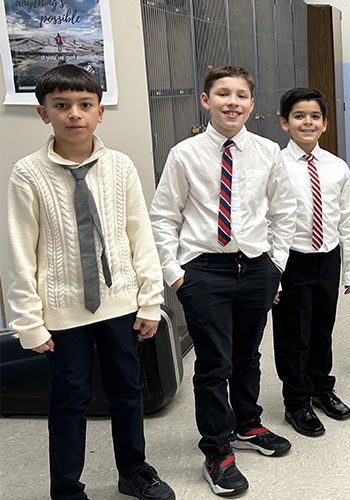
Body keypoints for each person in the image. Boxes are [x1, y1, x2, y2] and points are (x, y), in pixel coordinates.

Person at [6, 64, 174, 500]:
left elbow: (142, 236)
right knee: (69, 400)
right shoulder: (28, 173)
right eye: (61, 106)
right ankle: (66, 488)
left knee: (127, 390)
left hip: (120, 304)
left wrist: (151, 301)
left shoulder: (120, 167)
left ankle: (133, 470)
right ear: (44, 113)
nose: (74, 114)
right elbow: (19, 251)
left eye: (85, 105)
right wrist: (28, 322)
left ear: (100, 111)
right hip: (62, 314)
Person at [149, 65, 295, 497]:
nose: (232, 102)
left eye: (241, 95)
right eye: (222, 94)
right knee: (214, 363)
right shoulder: (185, 154)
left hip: (255, 267)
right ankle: (216, 447)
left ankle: (247, 424)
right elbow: (163, 217)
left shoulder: (268, 151)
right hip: (204, 270)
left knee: (247, 355)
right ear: (205, 100)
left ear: (252, 103)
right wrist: (176, 275)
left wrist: (277, 265)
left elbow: (283, 212)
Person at [273, 87, 350, 437]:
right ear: (284, 123)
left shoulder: (336, 167)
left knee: (323, 326)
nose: (306, 122)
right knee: (294, 332)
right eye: (298, 116)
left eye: (314, 116)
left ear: (325, 124)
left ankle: (322, 387)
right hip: (291, 260)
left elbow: (348, 220)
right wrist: (273, 275)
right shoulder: (275, 165)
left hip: (328, 257)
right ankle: (296, 400)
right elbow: (266, 220)